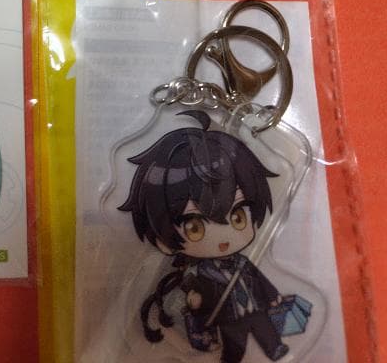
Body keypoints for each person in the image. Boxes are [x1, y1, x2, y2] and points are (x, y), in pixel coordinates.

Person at [119, 110, 293, 362]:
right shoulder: (198, 272)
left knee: (263, 327)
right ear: (162, 241)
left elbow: (258, 279)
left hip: (253, 307)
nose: (223, 237)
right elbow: (192, 289)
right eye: (195, 227)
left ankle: (274, 347)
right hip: (228, 316)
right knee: (234, 342)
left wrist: (273, 295)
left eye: (237, 217)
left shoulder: (241, 263)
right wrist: (195, 299)